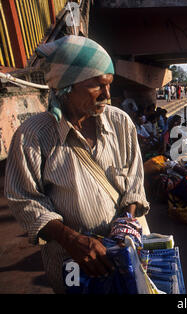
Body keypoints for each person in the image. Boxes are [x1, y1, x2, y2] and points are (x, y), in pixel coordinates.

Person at [4, 36, 150, 294]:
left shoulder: (121, 123)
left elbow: (134, 182)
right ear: (65, 87)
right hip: (70, 260)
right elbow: (24, 199)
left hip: (125, 250)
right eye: (97, 86)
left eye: (109, 85)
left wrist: (126, 223)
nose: (107, 95)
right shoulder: (32, 135)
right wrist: (71, 239)